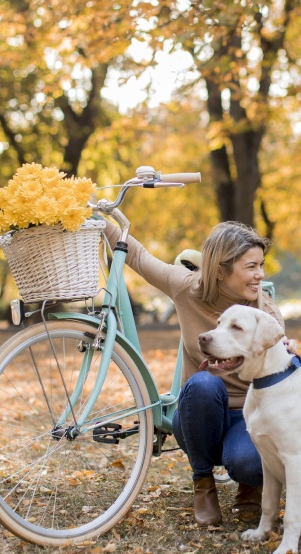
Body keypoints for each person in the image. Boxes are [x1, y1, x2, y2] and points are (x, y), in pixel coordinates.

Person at [103, 217, 283, 527]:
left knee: (249, 463)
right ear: (220, 270)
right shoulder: (186, 288)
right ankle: (203, 482)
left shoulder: (264, 313)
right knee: (203, 385)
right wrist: (99, 219)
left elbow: (279, 378)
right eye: (251, 267)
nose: (260, 276)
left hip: (249, 416)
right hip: (198, 415)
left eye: (261, 265)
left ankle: (250, 485)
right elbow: (139, 257)